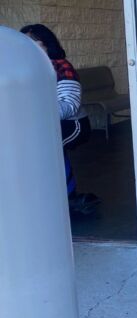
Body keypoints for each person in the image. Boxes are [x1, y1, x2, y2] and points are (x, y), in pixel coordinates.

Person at [20, 24, 99, 215]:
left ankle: (67, 197)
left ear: (47, 44)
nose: (28, 49)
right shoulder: (26, 69)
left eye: (34, 44)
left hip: (73, 125)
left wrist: (34, 112)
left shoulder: (61, 66)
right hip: (43, 124)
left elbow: (69, 104)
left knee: (49, 148)